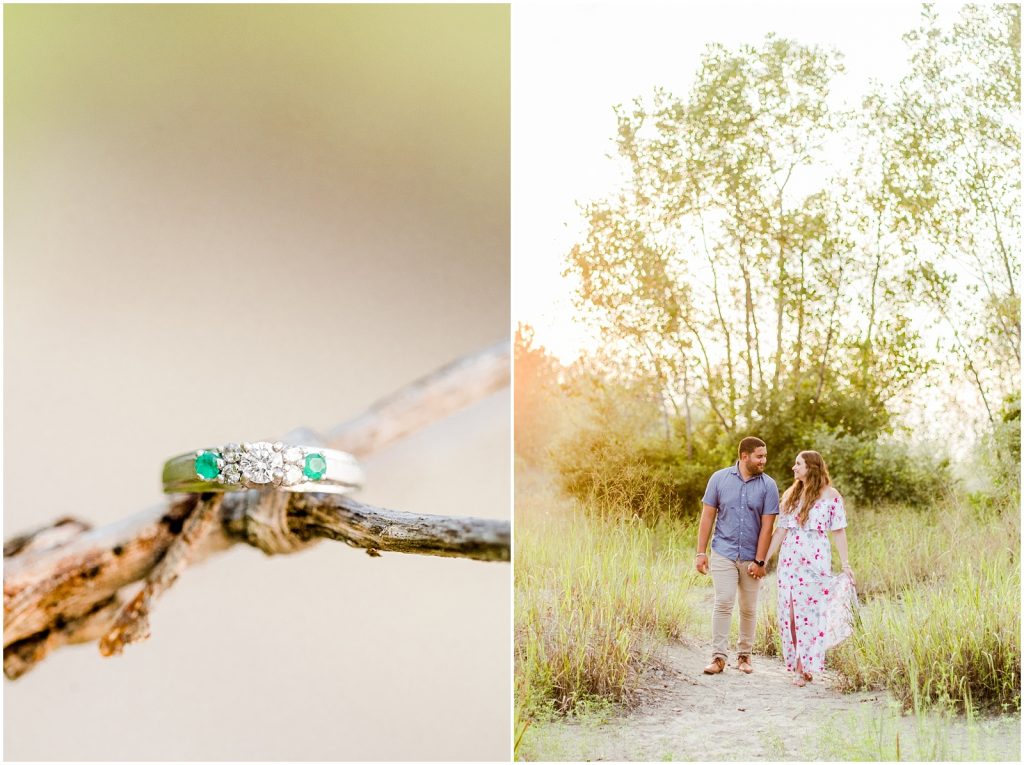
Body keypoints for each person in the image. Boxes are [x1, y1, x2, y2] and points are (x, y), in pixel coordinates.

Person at [765, 450, 854, 686]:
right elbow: (780, 531)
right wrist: (764, 559)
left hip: (815, 560)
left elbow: (839, 530)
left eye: (798, 464)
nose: (794, 468)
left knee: (810, 614)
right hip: (789, 560)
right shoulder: (792, 495)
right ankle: (798, 663)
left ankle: (805, 668)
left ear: (811, 467)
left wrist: (846, 564)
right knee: (791, 614)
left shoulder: (831, 495)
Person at [695, 436, 780, 675]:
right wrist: (701, 553)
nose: (764, 460)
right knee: (723, 601)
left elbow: (767, 527)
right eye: (759, 456)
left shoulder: (768, 486)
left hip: (752, 556)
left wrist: (761, 561)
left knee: (748, 608)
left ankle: (744, 656)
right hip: (724, 551)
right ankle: (718, 657)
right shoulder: (719, 479)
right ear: (745, 456)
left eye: (765, 456)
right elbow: (707, 517)